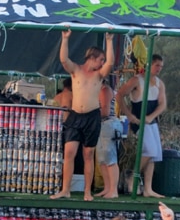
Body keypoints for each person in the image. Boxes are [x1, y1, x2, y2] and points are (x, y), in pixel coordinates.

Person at [50, 29, 115, 201]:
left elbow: (110, 63)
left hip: (92, 117)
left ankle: (87, 191)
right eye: (100, 59)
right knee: (69, 152)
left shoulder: (99, 74)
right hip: (75, 116)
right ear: (92, 57)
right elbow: (64, 59)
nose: (102, 63)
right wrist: (65, 39)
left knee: (88, 154)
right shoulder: (76, 70)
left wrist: (109, 41)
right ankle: (65, 189)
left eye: (102, 60)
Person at [116, 54, 166, 198]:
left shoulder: (159, 83)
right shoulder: (136, 80)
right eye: (157, 66)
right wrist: (129, 115)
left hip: (151, 121)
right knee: (149, 150)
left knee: (154, 154)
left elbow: (162, 104)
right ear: (149, 65)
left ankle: (148, 188)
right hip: (139, 121)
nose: (159, 69)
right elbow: (119, 95)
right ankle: (133, 175)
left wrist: (152, 116)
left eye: (161, 67)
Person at [95, 79, 121, 199]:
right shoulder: (97, 90)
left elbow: (104, 111)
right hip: (101, 125)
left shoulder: (105, 90)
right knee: (102, 159)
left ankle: (113, 190)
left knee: (110, 158)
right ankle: (107, 188)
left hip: (108, 124)